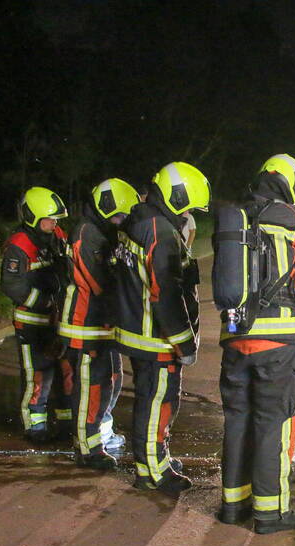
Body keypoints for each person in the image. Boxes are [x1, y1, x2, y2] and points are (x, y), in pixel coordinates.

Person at [216, 154, 295, 533]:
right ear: (291, 183)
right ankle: (270, 512)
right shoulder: (294, 219)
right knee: (273, 425)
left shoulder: (235, 216)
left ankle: (233, 506)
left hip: (235, 338)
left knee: (237, 420)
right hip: (280, 344)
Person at [115, 162, 209, 495]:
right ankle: (153, 471)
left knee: (148, 400)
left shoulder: (140, 221)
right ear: (176, 196)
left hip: (139, 330)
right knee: (159, 402)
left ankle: (154, 460)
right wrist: (185, 344)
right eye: (187, 208)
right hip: (156, 338)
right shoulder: (162, 233)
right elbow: (166, 293)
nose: (188, 216)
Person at [59, 178, 139, 469]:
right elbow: (98, 281)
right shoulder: (86, 234)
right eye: (120, 215)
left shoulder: (101, 232)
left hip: (102, 324)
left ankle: (99, 436)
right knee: (90, 387)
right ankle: (87, 449)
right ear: (107, 208)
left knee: (110, 381)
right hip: (84, 325)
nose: (122, 221)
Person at [1, 186, 71, 442]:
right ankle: (35, 426)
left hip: (57, 320)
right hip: (32, 322)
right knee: (37, 374)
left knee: (64, 371)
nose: (53, 224)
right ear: (33, 217)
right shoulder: (19, 245)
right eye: (48, 220)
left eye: (55, 220)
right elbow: (12, 285)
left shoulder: (57, 236)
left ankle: (66, 421)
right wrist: (43, 302)